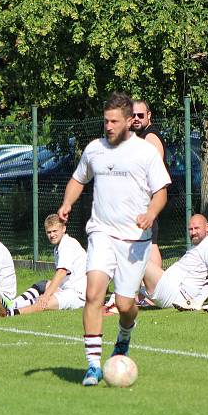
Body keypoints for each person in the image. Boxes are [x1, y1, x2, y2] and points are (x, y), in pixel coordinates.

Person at [58, 91, 171, 386]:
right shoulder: (94, 149)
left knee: (124, 305)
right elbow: (77, 179)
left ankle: (125, 332)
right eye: (106, 120)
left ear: (128, 121)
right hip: (101, 233)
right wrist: (67, 203)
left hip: (135, 240)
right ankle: (93, 365)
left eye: (113, 121)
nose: (108, 126)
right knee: (94, 292)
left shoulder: (145, 152)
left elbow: (161, 192)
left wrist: (150, 213)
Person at [0, 214, 86, 317]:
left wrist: (46, 295)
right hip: (68, 289)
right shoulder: (59, 247)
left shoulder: (67, 245)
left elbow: (61, 272)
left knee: (44, 302)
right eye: (49, 232)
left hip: (78, 295)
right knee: (43, 284)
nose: (52, 235)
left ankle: (8, 313)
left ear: (64, 228)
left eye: (55, 231)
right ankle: (12, 303)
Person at [141, 214, 208, 310]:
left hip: (176, 295)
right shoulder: (200, 246)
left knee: (138, 259)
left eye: (197, 228)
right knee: (131, 268)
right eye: (190, 229)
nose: (193, 232)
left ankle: (121, 305)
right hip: (171, 290)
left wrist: (204, 297)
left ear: (207, 227)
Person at [132, 99, 167, 271]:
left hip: (149, 201)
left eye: (140, 115)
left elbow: (154, 171)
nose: (136, 118)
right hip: (140, 200)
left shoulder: (150, 137)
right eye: (133, 115)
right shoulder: (139, 137)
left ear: (149, 115)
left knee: (151, 243)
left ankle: (155, 291)